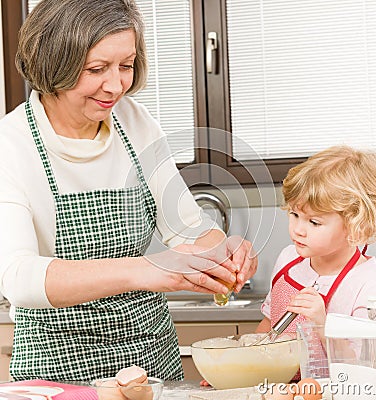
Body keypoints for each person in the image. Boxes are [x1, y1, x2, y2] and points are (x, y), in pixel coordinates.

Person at [0, 0, 257, 382]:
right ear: (54, 63)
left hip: (150, 360)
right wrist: (148, 269)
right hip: (57, 368)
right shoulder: (12, 143)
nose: (117, 85)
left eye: (126, 65)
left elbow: (189, 226)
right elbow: (20, 279)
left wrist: (221, 254)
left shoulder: (135, 122)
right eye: (96, 69)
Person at [257, 145, 376, 335]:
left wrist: (322, 325)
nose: (298, 230)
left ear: (356, 224)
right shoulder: (287, 259)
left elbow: (365, 361)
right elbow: (269, 324)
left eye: (314, 222)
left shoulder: (370, 288)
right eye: (294, 214)